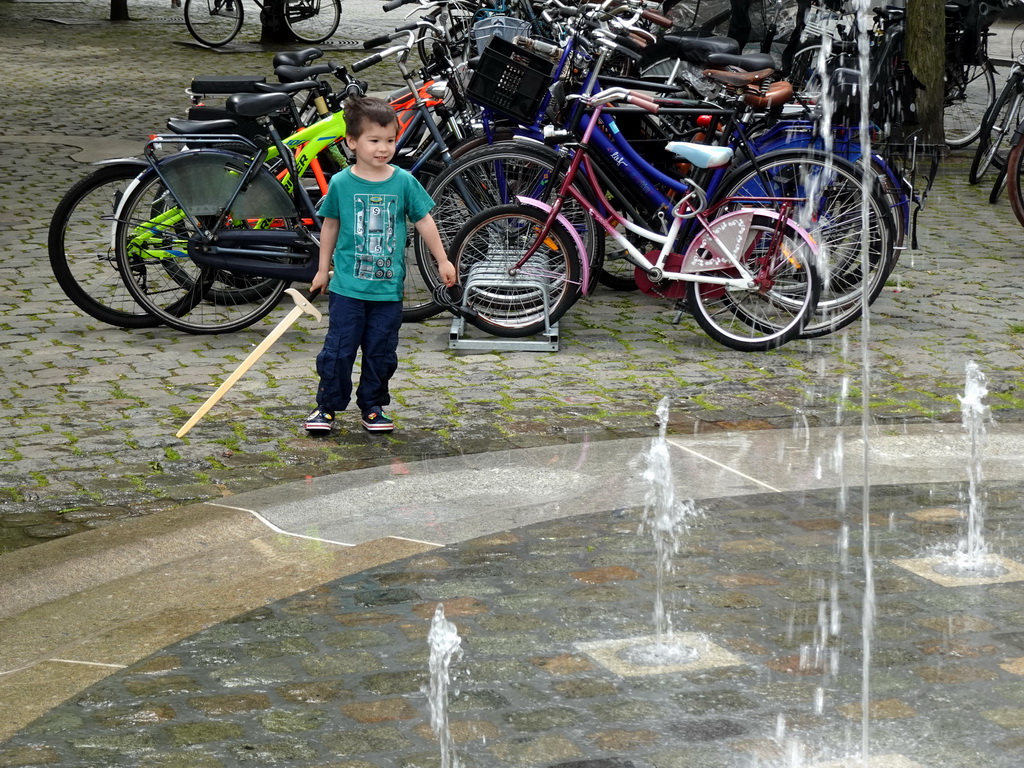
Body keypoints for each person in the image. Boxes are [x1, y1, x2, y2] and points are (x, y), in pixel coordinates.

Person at [303, 96, 456, 435]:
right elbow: (330, 226)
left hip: (387, 292)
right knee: (339, 351)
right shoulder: (342, 183)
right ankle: (326, 406)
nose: (383, 148)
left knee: (381, 353)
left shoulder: (403, 181)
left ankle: (372, 406)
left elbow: (425, 221)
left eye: (390, 140)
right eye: (374, 140)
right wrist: (321, 268)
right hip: (347, 289)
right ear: (352, 142)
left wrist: (442, 259)